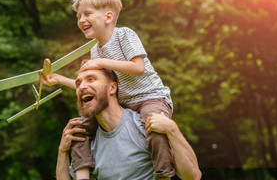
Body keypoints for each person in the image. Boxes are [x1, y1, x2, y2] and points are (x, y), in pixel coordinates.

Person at [43, 0, 174, 179]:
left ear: (108, 17)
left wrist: (101, 63)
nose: (81, 20)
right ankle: (82, 174)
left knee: (154, 126)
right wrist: (60, 80)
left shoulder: (124, 35)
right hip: (124, 104)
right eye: (78, 16)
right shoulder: (96, 51)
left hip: (149, 97)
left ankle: (163, 174)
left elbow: (138, 68)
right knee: (79, 127)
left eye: (87, 14)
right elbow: (96, 89)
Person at [55, 67, 201, 180]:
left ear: (112, 88)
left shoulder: (145, 125)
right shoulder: (86, 140)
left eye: (91, 79)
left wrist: (172, 129)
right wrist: (62, 152)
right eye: (78, 83)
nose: (81, 87)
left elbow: (192, 176)